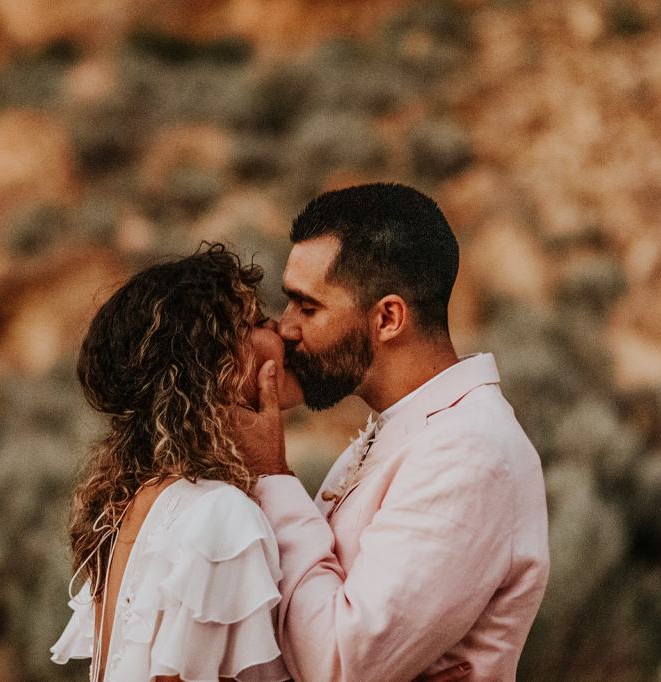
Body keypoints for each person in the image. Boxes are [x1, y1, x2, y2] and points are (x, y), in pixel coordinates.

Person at [234, 183, 550, 681]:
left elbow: (338, 664)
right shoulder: (406, 430)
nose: (286, 328)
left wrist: (271, 474)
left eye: (307, 307)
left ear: (387, 318)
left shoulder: (469, 451)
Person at [50, 245, 300, 681]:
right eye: (258, 322)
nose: (280, 330)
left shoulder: (132, 505)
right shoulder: (222, 517)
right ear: (216, 366)